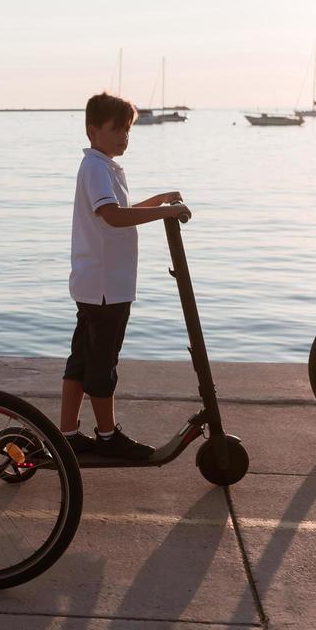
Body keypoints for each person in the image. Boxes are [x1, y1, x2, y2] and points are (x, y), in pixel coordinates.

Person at [60, 92, 191, 459]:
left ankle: (67, 434)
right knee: (102, 364)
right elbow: (113, 216)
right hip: (106, 288)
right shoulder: (97, 168)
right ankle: (107, 437)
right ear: (93, 130)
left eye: (128, 130)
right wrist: (167, 214)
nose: (124, 137)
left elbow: (122, 210)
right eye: (116, 129)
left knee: (82, 361)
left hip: (94, 283)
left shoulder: (102, 166)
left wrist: (160, 200)